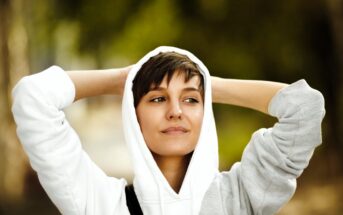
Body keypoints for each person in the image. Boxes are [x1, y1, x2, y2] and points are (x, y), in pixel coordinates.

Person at [12, 46, 325, 215]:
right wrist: (123, 80)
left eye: (190, 100)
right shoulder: (102, 204)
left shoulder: (239, 197)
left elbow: (305, 108)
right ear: (134, 115)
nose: (175, 110)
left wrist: (206, 82)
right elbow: (33, 96)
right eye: (158, 98)